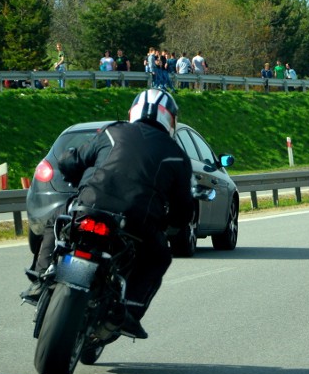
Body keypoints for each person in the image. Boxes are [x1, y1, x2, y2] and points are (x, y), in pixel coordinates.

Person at [22, 89, 193, 339]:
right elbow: (183, 209)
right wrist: (172, 223)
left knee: (57, 219)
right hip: (137, 222)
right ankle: (130, 311)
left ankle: (40, 276)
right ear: (171, 120)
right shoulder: (177, 155)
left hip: (89, 206)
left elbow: (72, 160)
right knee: (160, 256)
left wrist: (73, 176)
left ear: (132, 112)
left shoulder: (113, 131)